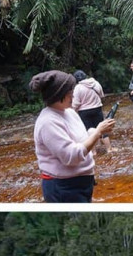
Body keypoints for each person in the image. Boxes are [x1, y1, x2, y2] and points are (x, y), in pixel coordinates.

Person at [30, 70, 115, 203]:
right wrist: (98, 132)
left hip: (80, 182)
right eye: (70, 92)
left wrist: (98, 130)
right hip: (63, 186)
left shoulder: (69, 112)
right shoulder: (48, 122)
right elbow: (71, 156)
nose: (74, 95)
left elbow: (82, 139)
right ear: (58, 95)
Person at [72, 70, 113, 153]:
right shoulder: (95, 83)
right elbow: (101, 95)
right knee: (102, 129)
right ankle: (109, 149)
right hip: (97, 109)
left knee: (88, 131)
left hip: (84, 112)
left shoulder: (78, 88)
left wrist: (73, 111)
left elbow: (76, 103)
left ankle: (93, 152)